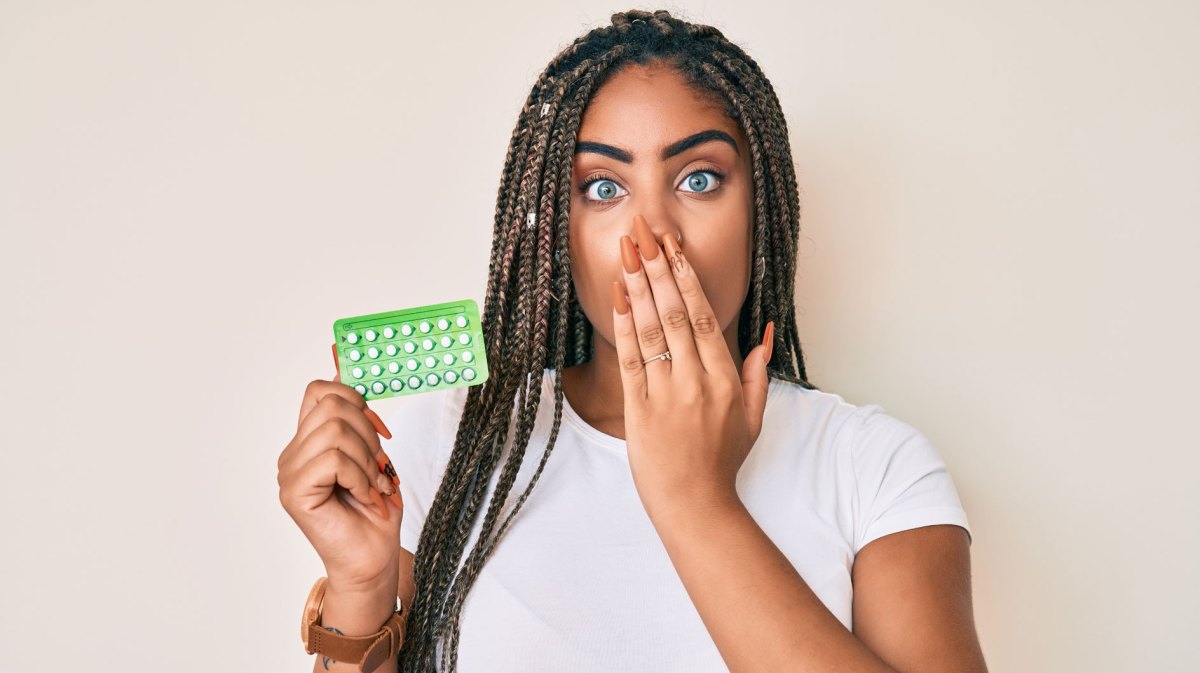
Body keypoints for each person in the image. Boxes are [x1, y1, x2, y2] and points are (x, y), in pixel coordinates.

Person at [278, 9, 988, 673]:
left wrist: (694, 499)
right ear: (558, 228)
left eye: (699, 179)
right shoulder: (450, 442)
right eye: (604, 189)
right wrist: (361, 585)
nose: (653, 235)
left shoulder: (876, 469)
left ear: (761, 212)